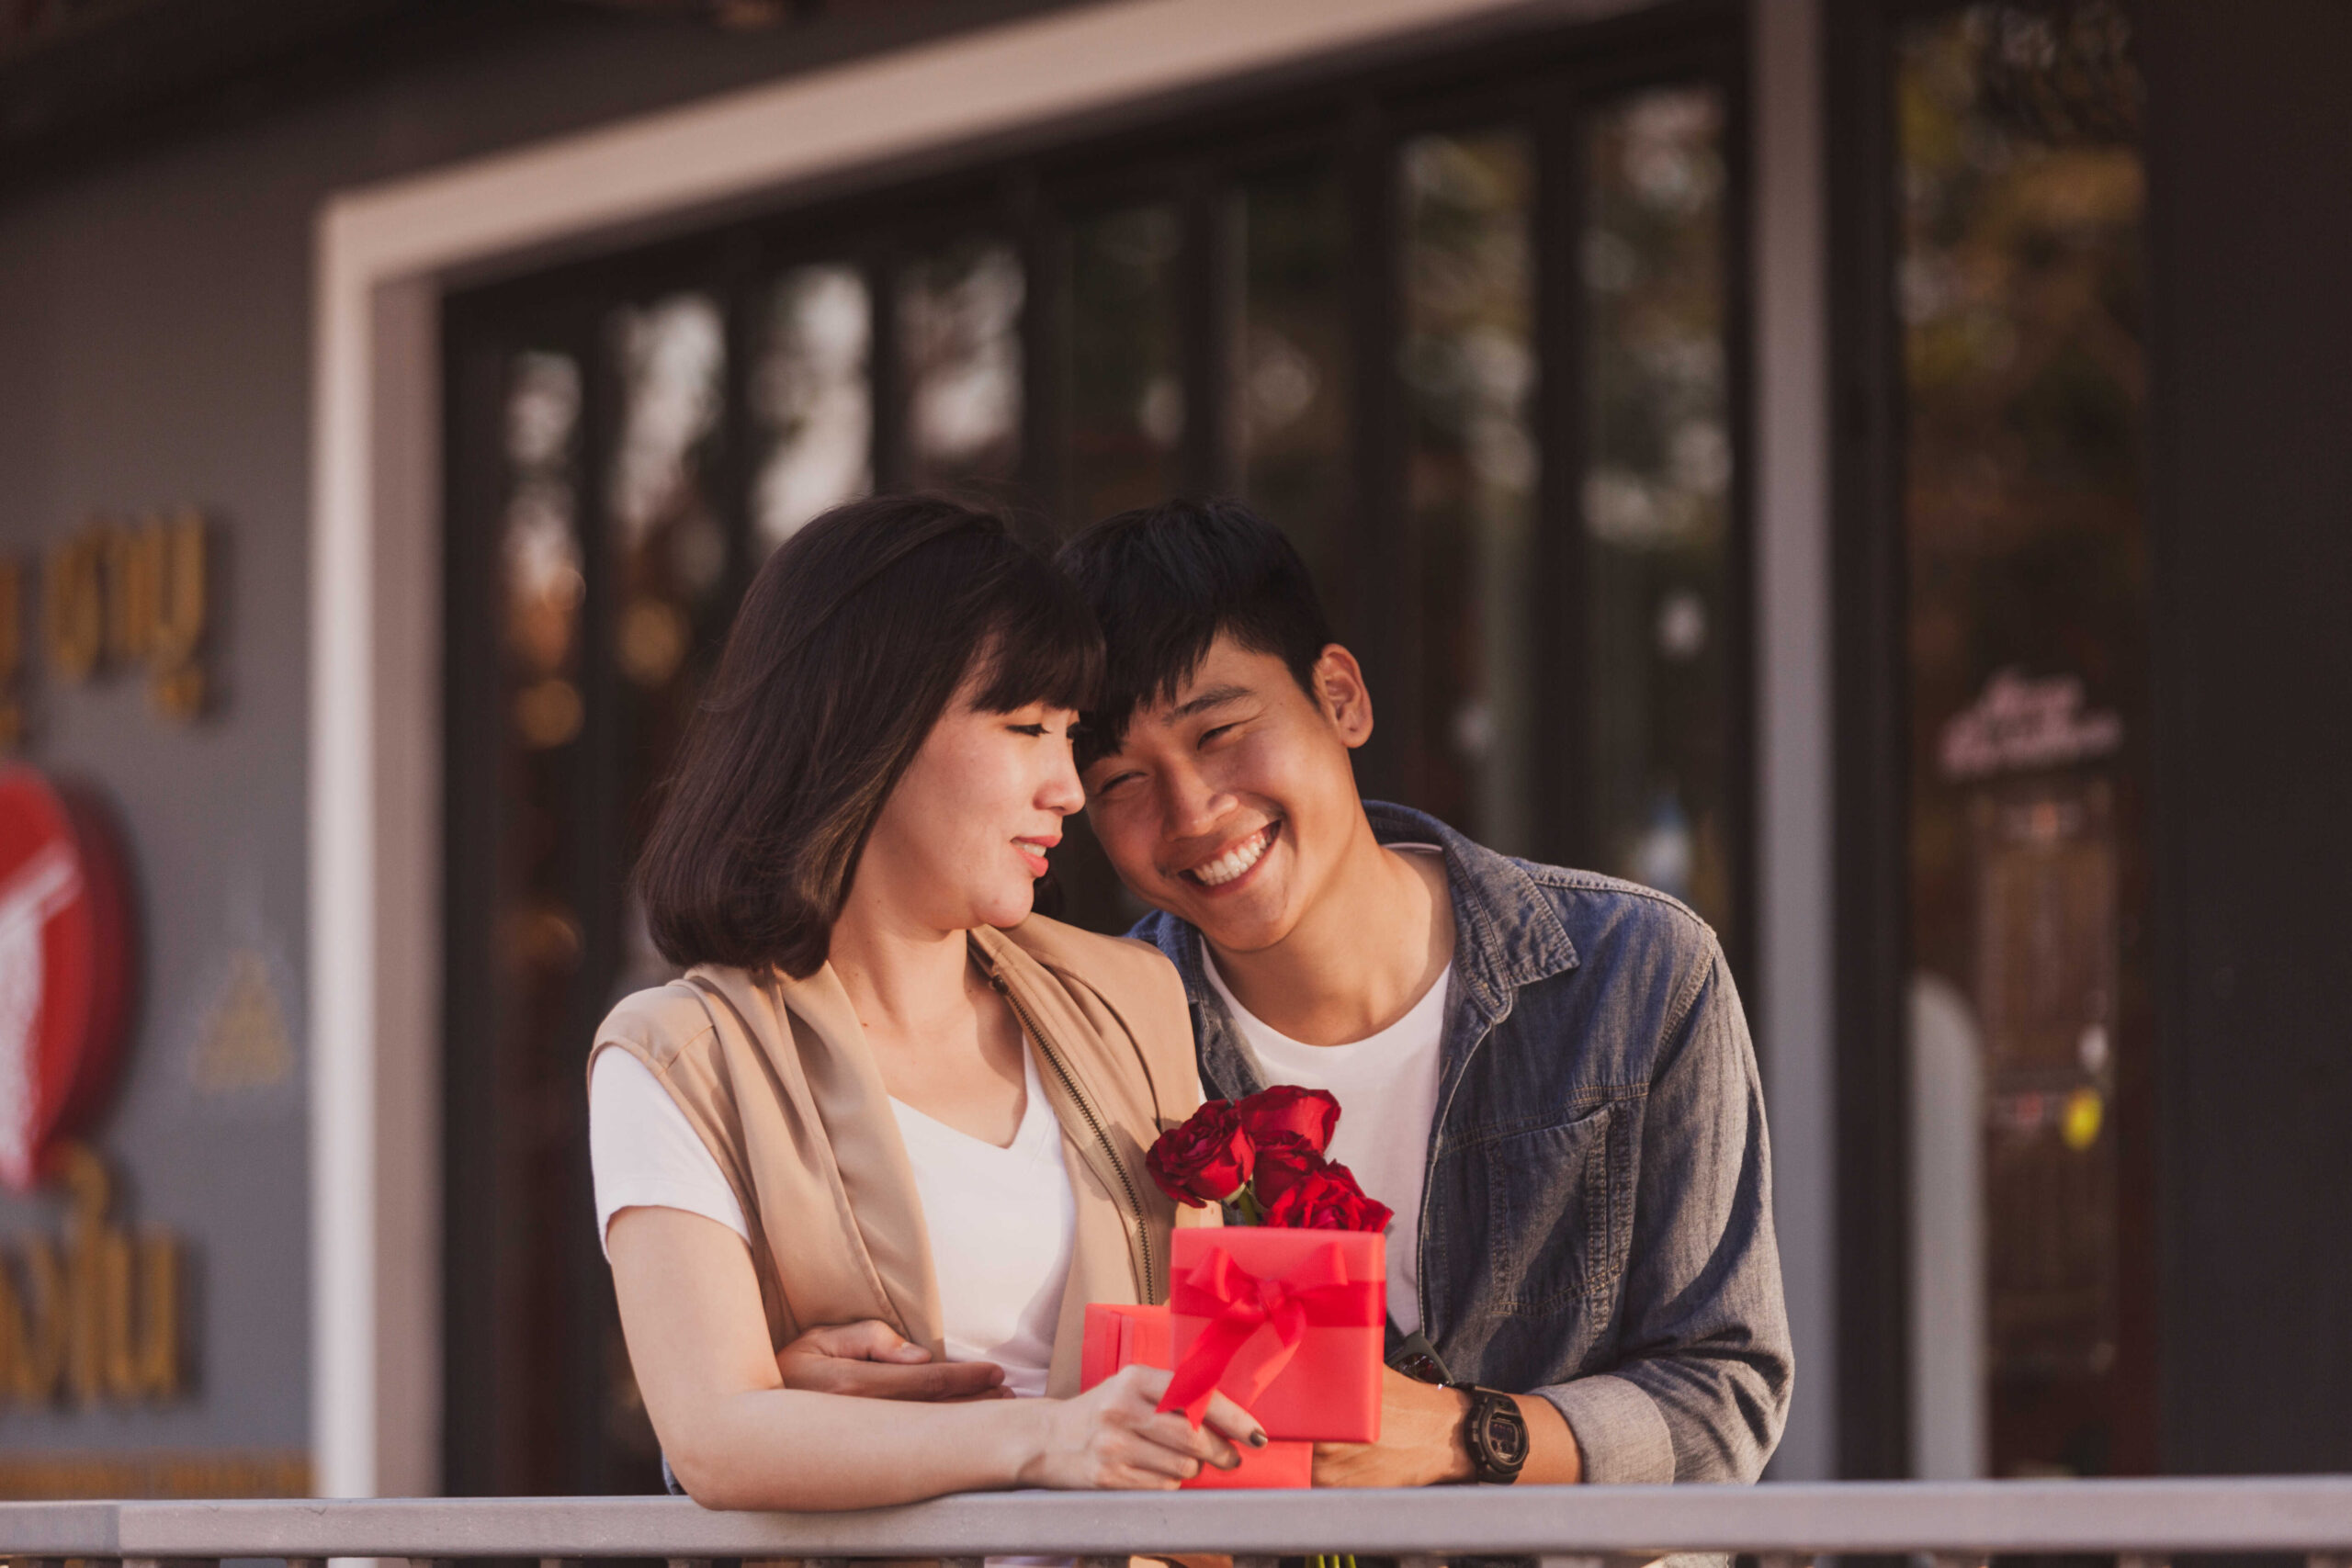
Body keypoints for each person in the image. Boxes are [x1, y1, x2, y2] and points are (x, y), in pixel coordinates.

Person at [1054, 498, 1792, 1489]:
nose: (1191, 811)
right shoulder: (1090, 1041)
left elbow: (1724, 1400)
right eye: (1120, 783)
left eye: (1219, 732)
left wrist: (1461, 1436)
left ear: (1341, 697)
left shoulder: (1636, 972)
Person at [588, 494, 1265, 1511]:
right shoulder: (683, 1056)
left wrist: (822, 1423)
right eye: (1026, 726)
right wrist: (1044, 1436)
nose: (1068, 788)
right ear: (869, 723)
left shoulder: (1128, 1000)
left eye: (1068, 734)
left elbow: (1214, 1364)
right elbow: (717, 1436)